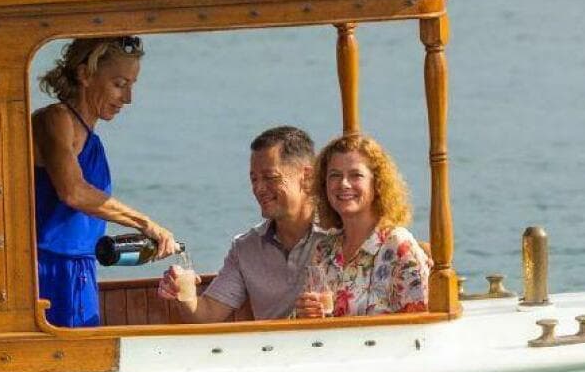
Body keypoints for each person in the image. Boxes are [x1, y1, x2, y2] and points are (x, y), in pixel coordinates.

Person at [32, 36, 178, 327]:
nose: (128, 98)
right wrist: (145, 223)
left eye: (131, 85)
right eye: (119, 84)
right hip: (48, 268)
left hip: (81, 267)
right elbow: (73, 192)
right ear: (85, 75)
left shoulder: (90, 137)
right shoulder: (56, 119)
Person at [157, 125, 320, 323]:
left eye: (270, 177)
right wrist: (185, 295)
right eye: (254, 179)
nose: (259, 188)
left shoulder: (339, 235)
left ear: (307, 177)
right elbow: (207, 315)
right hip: (269, 344)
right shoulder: (246, 248)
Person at [294, 133, 430, 318]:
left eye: (356, 175)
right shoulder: (324, 250)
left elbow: (420, 325)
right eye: (335, 175)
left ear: (377, 183)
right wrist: (305, 315)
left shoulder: (399, 247)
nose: (344, 184)